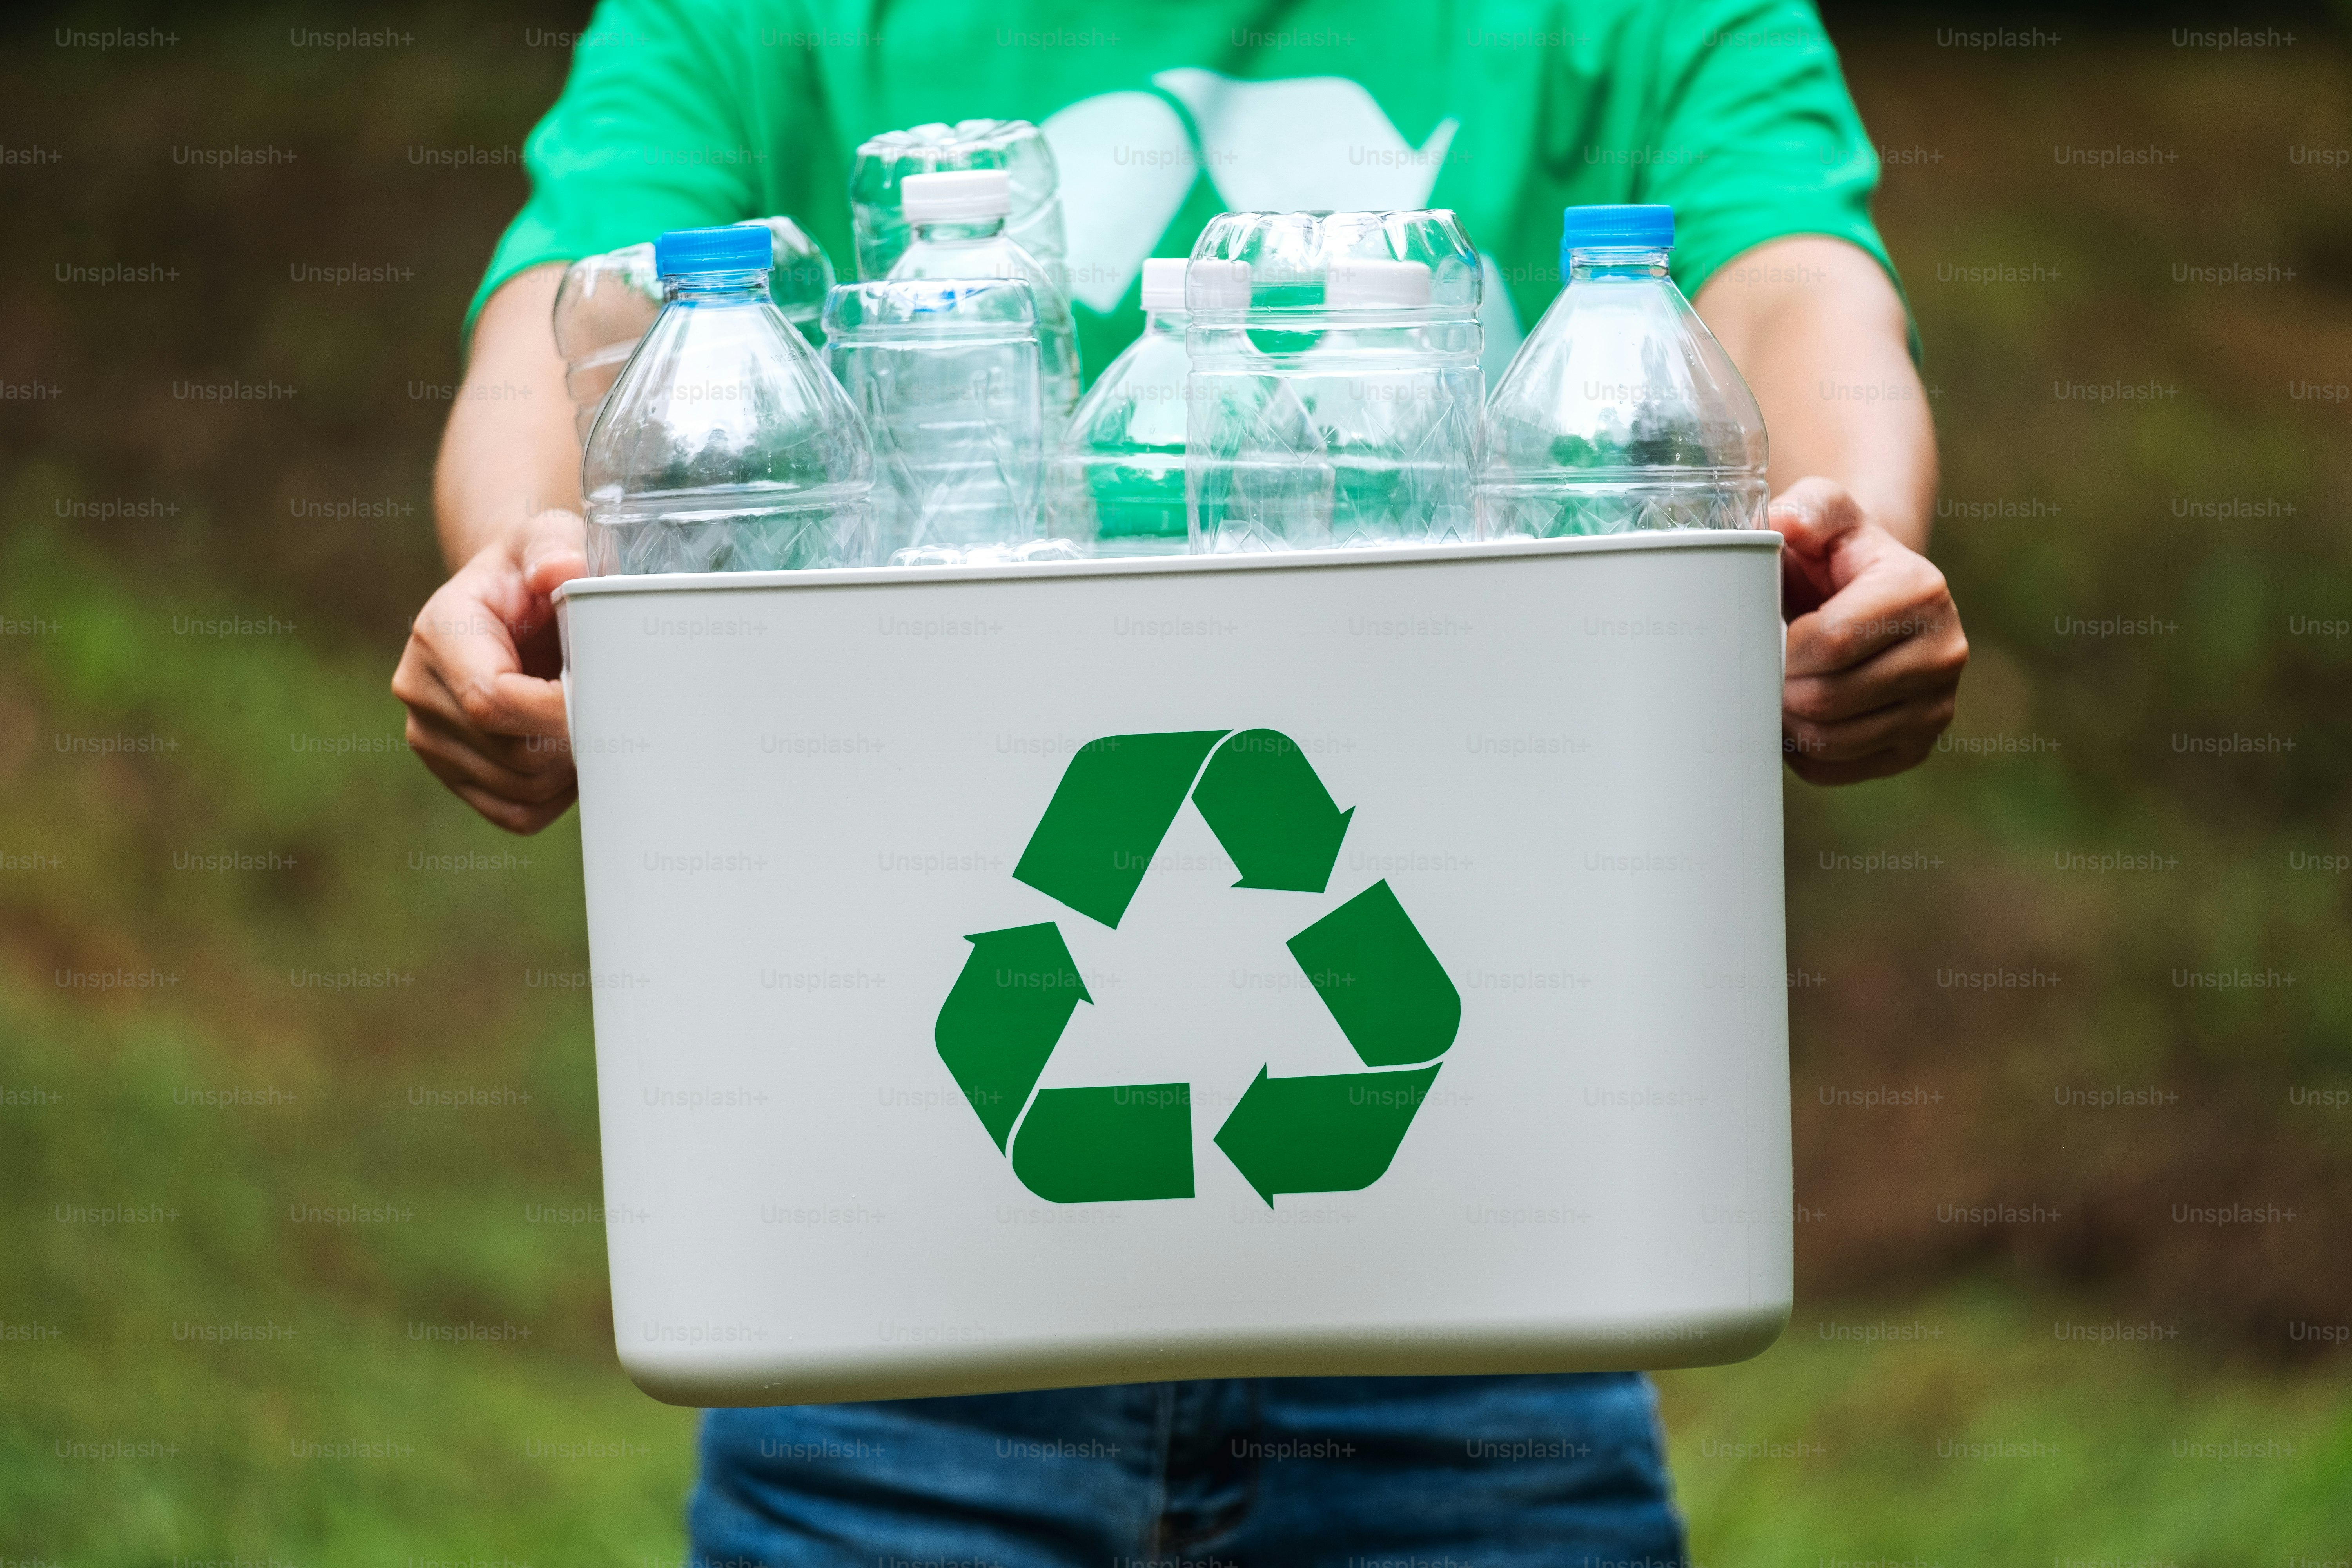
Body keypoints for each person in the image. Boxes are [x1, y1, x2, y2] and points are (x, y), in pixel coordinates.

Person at [392, 1, 1967, 1561]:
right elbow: (556, 346)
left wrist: (1845, 548)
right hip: (887, 1308)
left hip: (1486, 1291)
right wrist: (524, 570)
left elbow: (1801, 301)